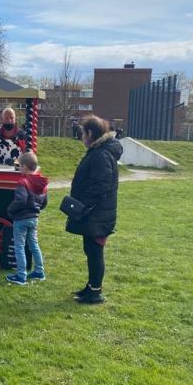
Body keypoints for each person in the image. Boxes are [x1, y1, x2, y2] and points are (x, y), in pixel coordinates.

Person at [65, 115, 122, 304]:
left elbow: (101, 186)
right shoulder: (99, 152)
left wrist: (83, 205)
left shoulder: (101, 154)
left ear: (90, 133)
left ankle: (95, 292)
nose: (81, 137)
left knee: (95, 251)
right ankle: (91, 286)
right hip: (95, 213)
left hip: (96, 214)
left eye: (82, 133)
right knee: (90, 249)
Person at [6, 151, 48, 285]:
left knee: (19, 247)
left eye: (19, 166)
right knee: (34, 245)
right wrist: (36, 210)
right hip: (34, 218)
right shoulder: (42, 183)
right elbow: (44, 202)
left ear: (24, 166)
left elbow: (21, 201)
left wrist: (10, 209)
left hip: (21, 219)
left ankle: (21, 275)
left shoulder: (22, 182)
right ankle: (39, 271)